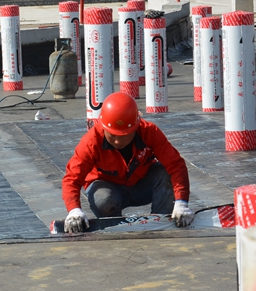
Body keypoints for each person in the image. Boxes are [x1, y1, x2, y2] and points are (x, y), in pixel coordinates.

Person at [62, 92, 194, 232]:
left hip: (142, 185)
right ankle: (112, 224)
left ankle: (162, 221)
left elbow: (176, 165)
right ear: (104, 127)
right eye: (112, 135)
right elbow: (72, 179)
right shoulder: (91, 142)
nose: (117, 141)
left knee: (165, 174)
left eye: (124, 135)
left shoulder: (149, 132)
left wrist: (181, 202)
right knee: (103, 200)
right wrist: (74, 210)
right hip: (108, 188)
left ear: (136, 128)